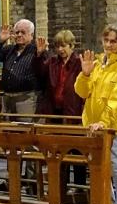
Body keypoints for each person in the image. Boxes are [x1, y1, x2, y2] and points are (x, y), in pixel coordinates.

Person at [74, 25, 117, 204]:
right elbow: (82, 92)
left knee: (116, 167)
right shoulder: (98, 63)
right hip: (92, 125)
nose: (108, 44)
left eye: (113, 41)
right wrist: (85, 74)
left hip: (113, 127)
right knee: (99, 168)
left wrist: (104, 121)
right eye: (106, 40)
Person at [0, 19, 39, 190]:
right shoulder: (9, 50)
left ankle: (31, 181)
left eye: (22, 32)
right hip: (7, 97)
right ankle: (13, 180)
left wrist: (42, 53)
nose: (18, 35)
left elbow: (42, 68)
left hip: (25, 98)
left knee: (27, 139)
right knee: (10, 140)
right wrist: (1, 40)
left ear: (31, 35)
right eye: (16, 32)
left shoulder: (35, 50)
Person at [33, 31, 85, 192]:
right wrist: (39, 55)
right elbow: (39, 75)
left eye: (63, 46)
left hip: (73, 111)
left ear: (71, 46)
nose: (60, 50)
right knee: (57, 150)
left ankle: (79, 186)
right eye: (57, 46)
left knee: (76, 149)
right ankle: (59, 184)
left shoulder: (78, 62)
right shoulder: (53, 62)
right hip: (55, 111)